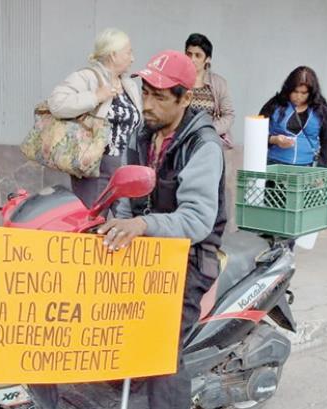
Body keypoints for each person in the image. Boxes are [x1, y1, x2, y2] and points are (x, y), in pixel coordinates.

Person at [98, 50, 226, 408]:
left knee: (161, 348)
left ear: (185, 98)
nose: (148, 104)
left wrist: (142, 224)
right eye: (146, 93)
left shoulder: (203, 145)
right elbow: (126, 191)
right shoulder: (142, 134)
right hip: (149, 251)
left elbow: (198, 220)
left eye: (159, 97)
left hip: (189, 258)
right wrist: (115, 222)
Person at [48, 28, 142, 209]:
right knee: (93, 221)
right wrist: (95, 97)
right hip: (96, 165)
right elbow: (56, 103)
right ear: (113, 55)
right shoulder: (87, 77)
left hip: (124, 164)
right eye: (128, 52)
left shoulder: (129, 84)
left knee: (120, 224)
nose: (133, 58)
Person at [259, 65, 327, 167]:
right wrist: (274, 139)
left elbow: (326, 143)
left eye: (303, 93)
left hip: (308, 167)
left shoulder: (320, 110)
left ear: (311, 93)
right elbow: (256, 135)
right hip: (275, 165)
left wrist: (322, 169)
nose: (298, 97)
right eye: (295, 92)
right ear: (288, 89)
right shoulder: (274, 105)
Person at [184, 33, 235, 149]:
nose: (192, 59)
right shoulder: (178, 81)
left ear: (207, 59)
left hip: (208, 143)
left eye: (198, 55)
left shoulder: (218, 84)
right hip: (182, 142)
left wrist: (208, 130)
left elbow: (228, 115)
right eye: (189, 54)